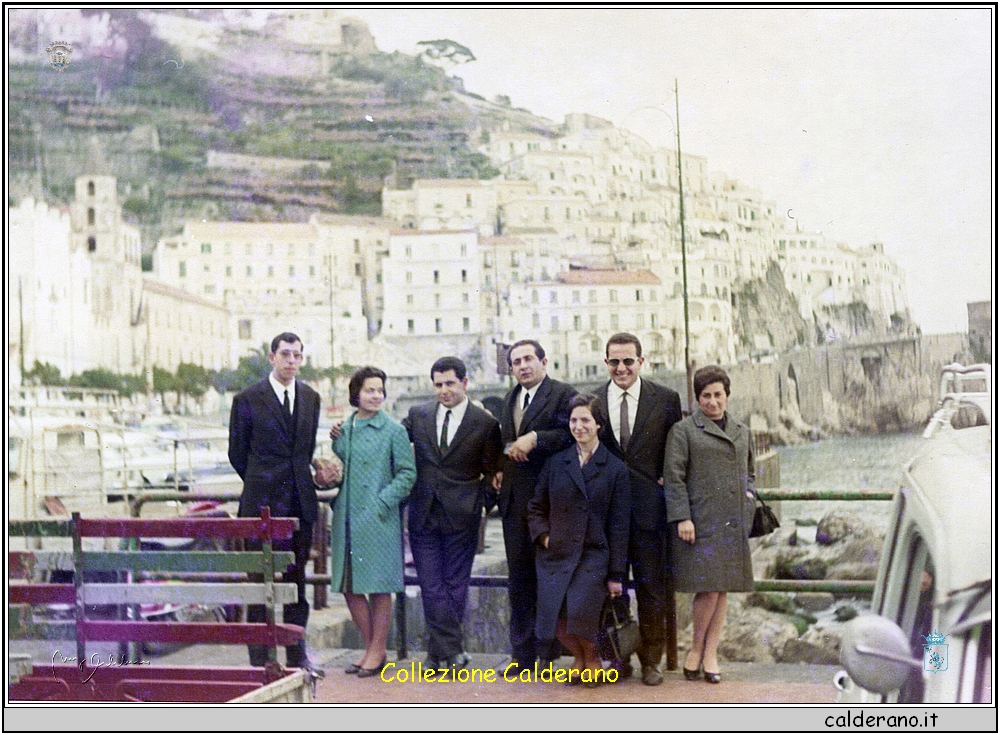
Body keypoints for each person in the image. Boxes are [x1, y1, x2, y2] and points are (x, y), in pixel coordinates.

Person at [228, 332, 326, 676]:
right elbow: (237, 454)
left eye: (297, 355)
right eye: (285, 354)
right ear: (272, 357)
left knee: (297, 582)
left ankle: (297, 656)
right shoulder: (247, 399)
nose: (292, 361)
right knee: (261, 583)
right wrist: (262, 483)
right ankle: (260, 660)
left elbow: (305, 450)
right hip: (262, 506)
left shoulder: (311, 398)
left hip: (300, 504)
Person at [402, 357, 503, 670]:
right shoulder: (418, 415)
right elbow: (388, 439)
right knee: (431, 585)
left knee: (455, 585)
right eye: (438, 384)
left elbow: (493, 472)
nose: (443, 390)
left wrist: (479, 503)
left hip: (463, 516)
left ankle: (438, 654)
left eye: (449, 383)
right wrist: (345, 429)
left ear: (464, 383)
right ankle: (452, 652)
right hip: (423, 513)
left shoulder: (485, 423)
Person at [528, 394, 631, 687]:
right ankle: (578, 657)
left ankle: (592, 658)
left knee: (580, 608)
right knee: (555, 615)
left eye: (585, 420)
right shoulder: (555, 463)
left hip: (592, 553)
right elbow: (536, 506)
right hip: (557, 551)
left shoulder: (614, 469)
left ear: (598, 424)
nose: (578, 426)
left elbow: (619, 525)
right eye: (574, 420)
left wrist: (616, 574)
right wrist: (544, 537)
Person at [596, 333, 682, 685]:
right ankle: (618, 658)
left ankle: (651, 661)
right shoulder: (593, 402)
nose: (621, 368)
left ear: (641, 362)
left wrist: (668, 484)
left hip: (649, 513)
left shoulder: (665, 399)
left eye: (628, 361)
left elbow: (677, 451)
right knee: (609, 589)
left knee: (651, 589)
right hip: (605, 515)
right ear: (606, 363)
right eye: (614, 361)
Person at [663, 365, 756, 684]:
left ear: (727, 396)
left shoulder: (743, 430)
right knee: (709, 588)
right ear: (697, 398)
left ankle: (709, 652)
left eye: (718, 395)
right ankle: (697, 649)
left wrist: (748, 494)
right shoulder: (684, 430)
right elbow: (673, 477)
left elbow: (751, 472)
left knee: (722, 589)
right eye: (706, 396)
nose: (713, 402)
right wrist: (682, 517)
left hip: (732, 520)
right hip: (700, 521)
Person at [493, 339, 577, 672]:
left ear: (544, 361)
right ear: (511, 368)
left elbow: (572, 434)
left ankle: (549, 654)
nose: (523, 366)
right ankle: (522, 655)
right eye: (517, 362)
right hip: (515, 501)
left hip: (550, 500)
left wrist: (536, 438)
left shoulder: (562, 393)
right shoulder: (510, 398)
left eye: (529, 359)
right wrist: (500, 467)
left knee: (550, 577)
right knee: (520, 580)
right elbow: (504, 439)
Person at [330, 366, 416, 678]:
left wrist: (382, 502)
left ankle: (377, 650)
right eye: (369, 390)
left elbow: (408, 474)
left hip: (378, 519)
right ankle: (372, 648)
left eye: (380, 389)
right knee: (348, 584)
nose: (376, 395)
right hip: (347, 519)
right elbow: (338, 467)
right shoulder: (345, 429)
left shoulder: (394, 430)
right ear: (356, 394)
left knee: (380, 587)